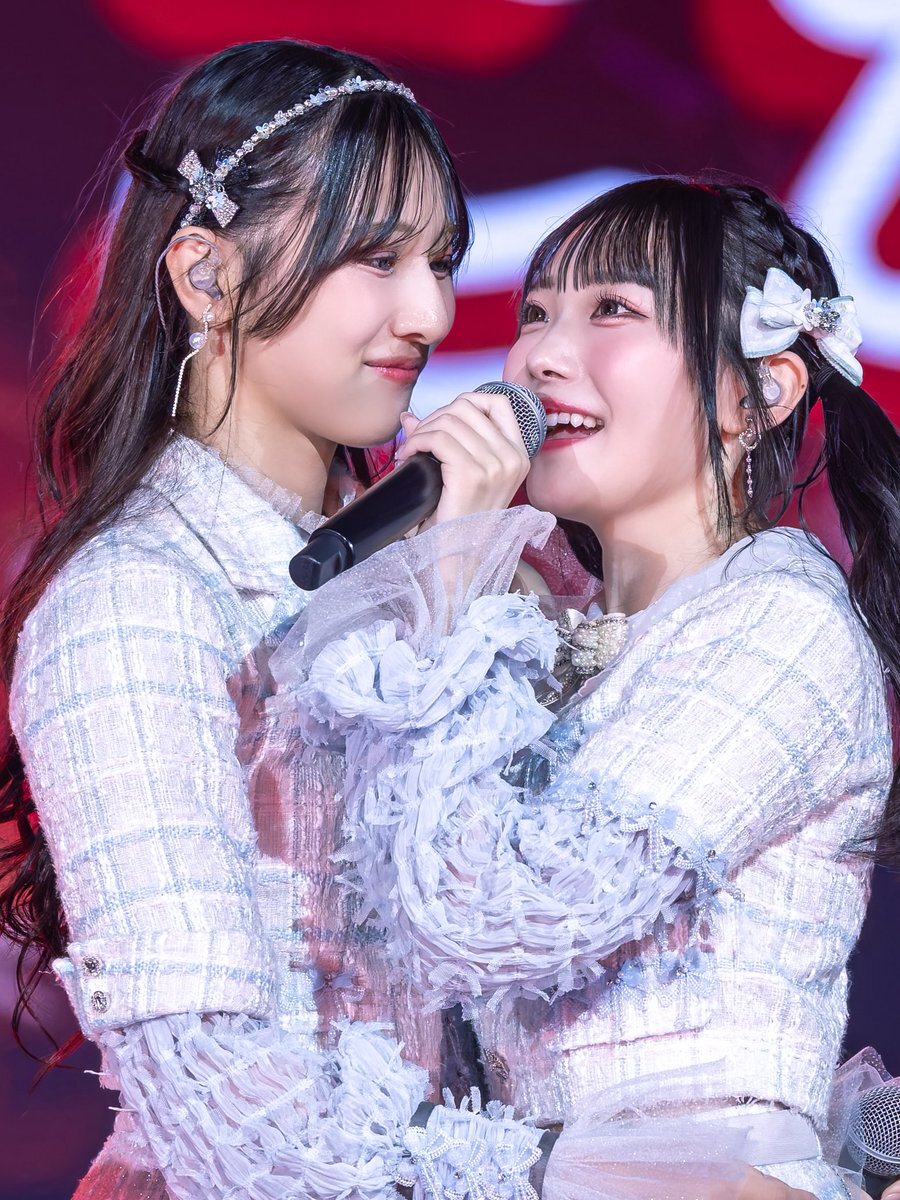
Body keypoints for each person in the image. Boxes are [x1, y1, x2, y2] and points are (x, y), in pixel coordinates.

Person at [0, 37, 560, 1200]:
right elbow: (204, 1083)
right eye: (377, 257)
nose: (429, 309)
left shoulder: (433, 564)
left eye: (442, 261)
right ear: (207, 276)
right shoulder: (135, 596)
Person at [276, 177, 900, 1198]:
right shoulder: (558, 630)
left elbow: (493, 917)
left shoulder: (782, 623)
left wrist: (453, 573)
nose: (540, 356)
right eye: (535, 314)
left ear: (759, 391)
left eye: (612, 309)